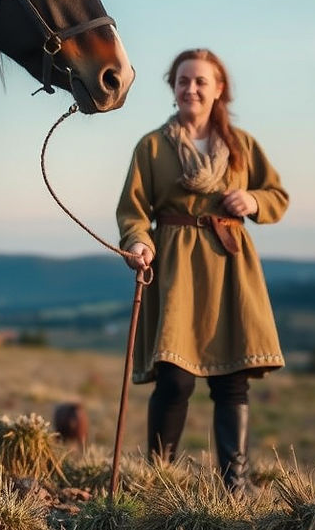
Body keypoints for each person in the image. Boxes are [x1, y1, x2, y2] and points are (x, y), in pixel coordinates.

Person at [116, 47, 288, 492]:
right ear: (172, 88)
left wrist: (253, 200)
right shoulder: (152, 146)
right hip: (176, 270)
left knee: (232, 379)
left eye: (200, 81)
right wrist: (138, 241)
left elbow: (276, 196)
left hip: (231, 270)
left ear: (218, 89)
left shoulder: (241, 146)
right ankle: (159, 479)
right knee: (175, 379)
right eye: (183, 81)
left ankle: (236, 486)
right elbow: (133, 211)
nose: (190, 88)